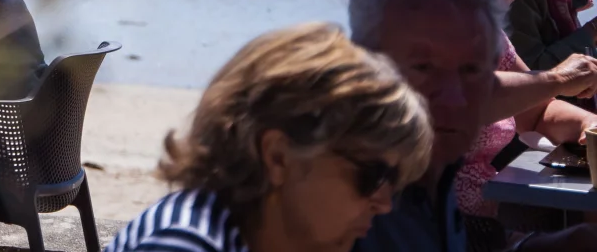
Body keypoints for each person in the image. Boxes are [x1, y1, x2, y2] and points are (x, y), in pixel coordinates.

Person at [371, 0, 597, 236]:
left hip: (478, 220)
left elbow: (536, 110)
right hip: (418, 226)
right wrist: (557, 78)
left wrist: (587, 127)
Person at [105, 22, 430, 252]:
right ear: (278, 157)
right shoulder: (185, 242)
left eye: (394, 182)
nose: (384, 204)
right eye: (373, 176)